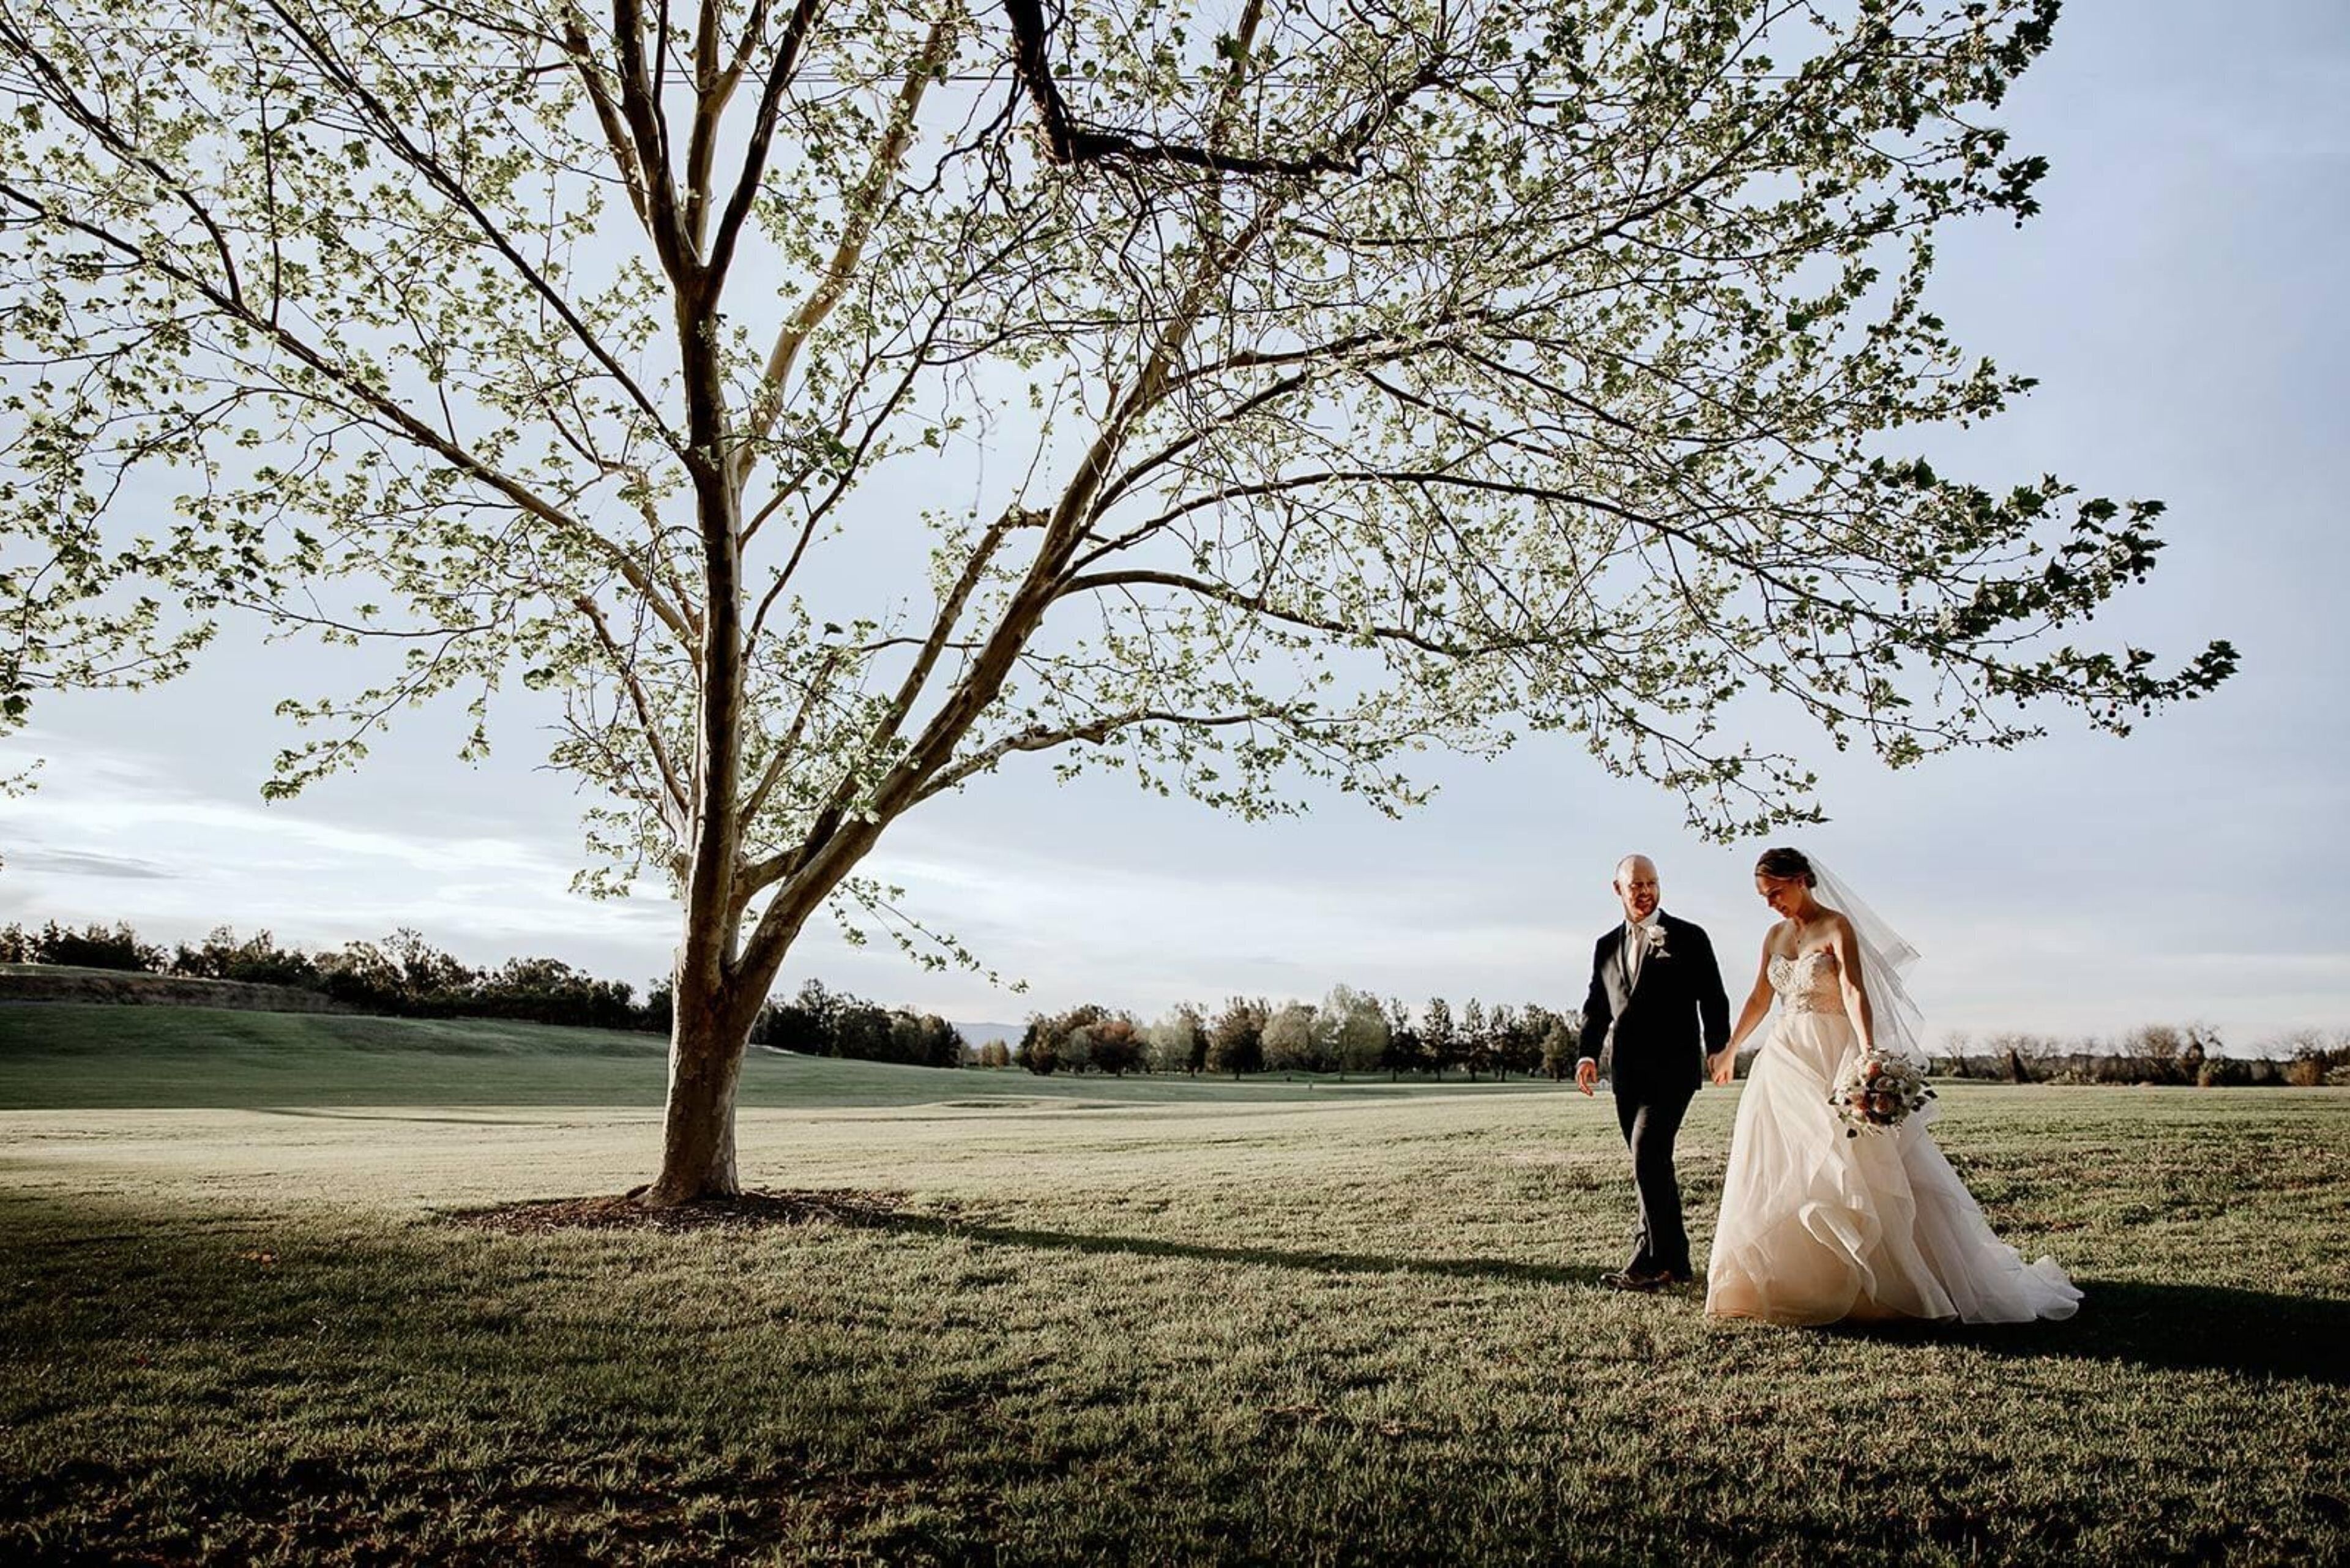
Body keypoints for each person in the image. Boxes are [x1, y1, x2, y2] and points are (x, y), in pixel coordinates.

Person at [1705, 846, 2083, 1325]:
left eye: (1776, 892)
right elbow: (1762, 994)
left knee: (1853, 1163)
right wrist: (1732, 1047)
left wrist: (1867, 1056)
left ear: (1801, 880)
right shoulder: (1775, 935)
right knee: (1781, 1160)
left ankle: (1883, 1284)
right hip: (1785, 1058)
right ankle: (1789, 1282)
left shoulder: (1836, 926)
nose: (1771, 903)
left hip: (1831, 1051)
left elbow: (1853, 991)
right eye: (1764, 896)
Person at [1575, 854, 1731, 1290]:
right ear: (1618, 890)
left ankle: (1650, 1261)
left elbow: (1713, 997)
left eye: (1652, 883)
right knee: (1653, 1165)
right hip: (1626, 1072)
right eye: (1636, 885)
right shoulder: (1606, 945)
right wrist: (1587, 1055)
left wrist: (1719, 1048)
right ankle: (1676, 1263)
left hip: (1674, 1070)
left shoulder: (1689, 936)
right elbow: (1597, 1007)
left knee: (1648, 1153)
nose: (1645, 892)